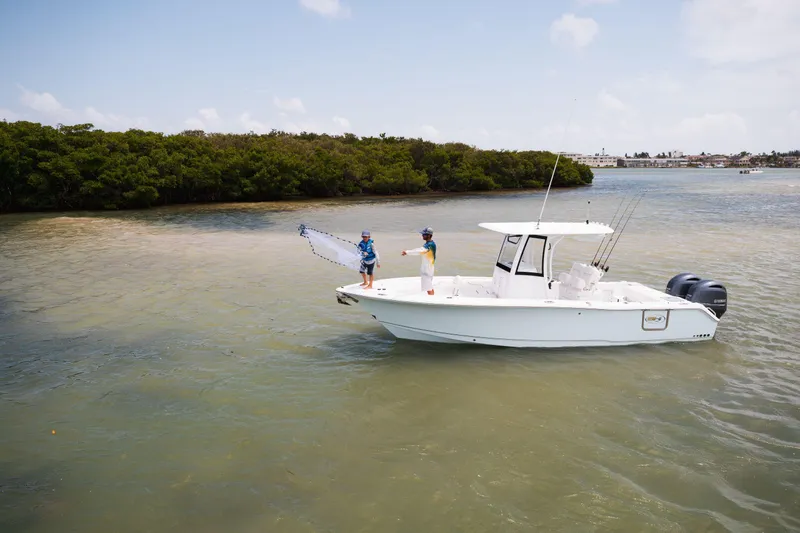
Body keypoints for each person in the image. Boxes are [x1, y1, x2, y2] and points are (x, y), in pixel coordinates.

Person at [401, 226, 437, 295]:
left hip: (427, 269)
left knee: (428, 288)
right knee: (429, 286)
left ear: (429, 235)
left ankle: (431, 299)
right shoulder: (431, 244)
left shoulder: (429, 245)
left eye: (424, 234)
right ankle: (432, 298)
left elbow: (419, 251)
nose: (422, 235)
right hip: (429, 268)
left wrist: (407, 252)